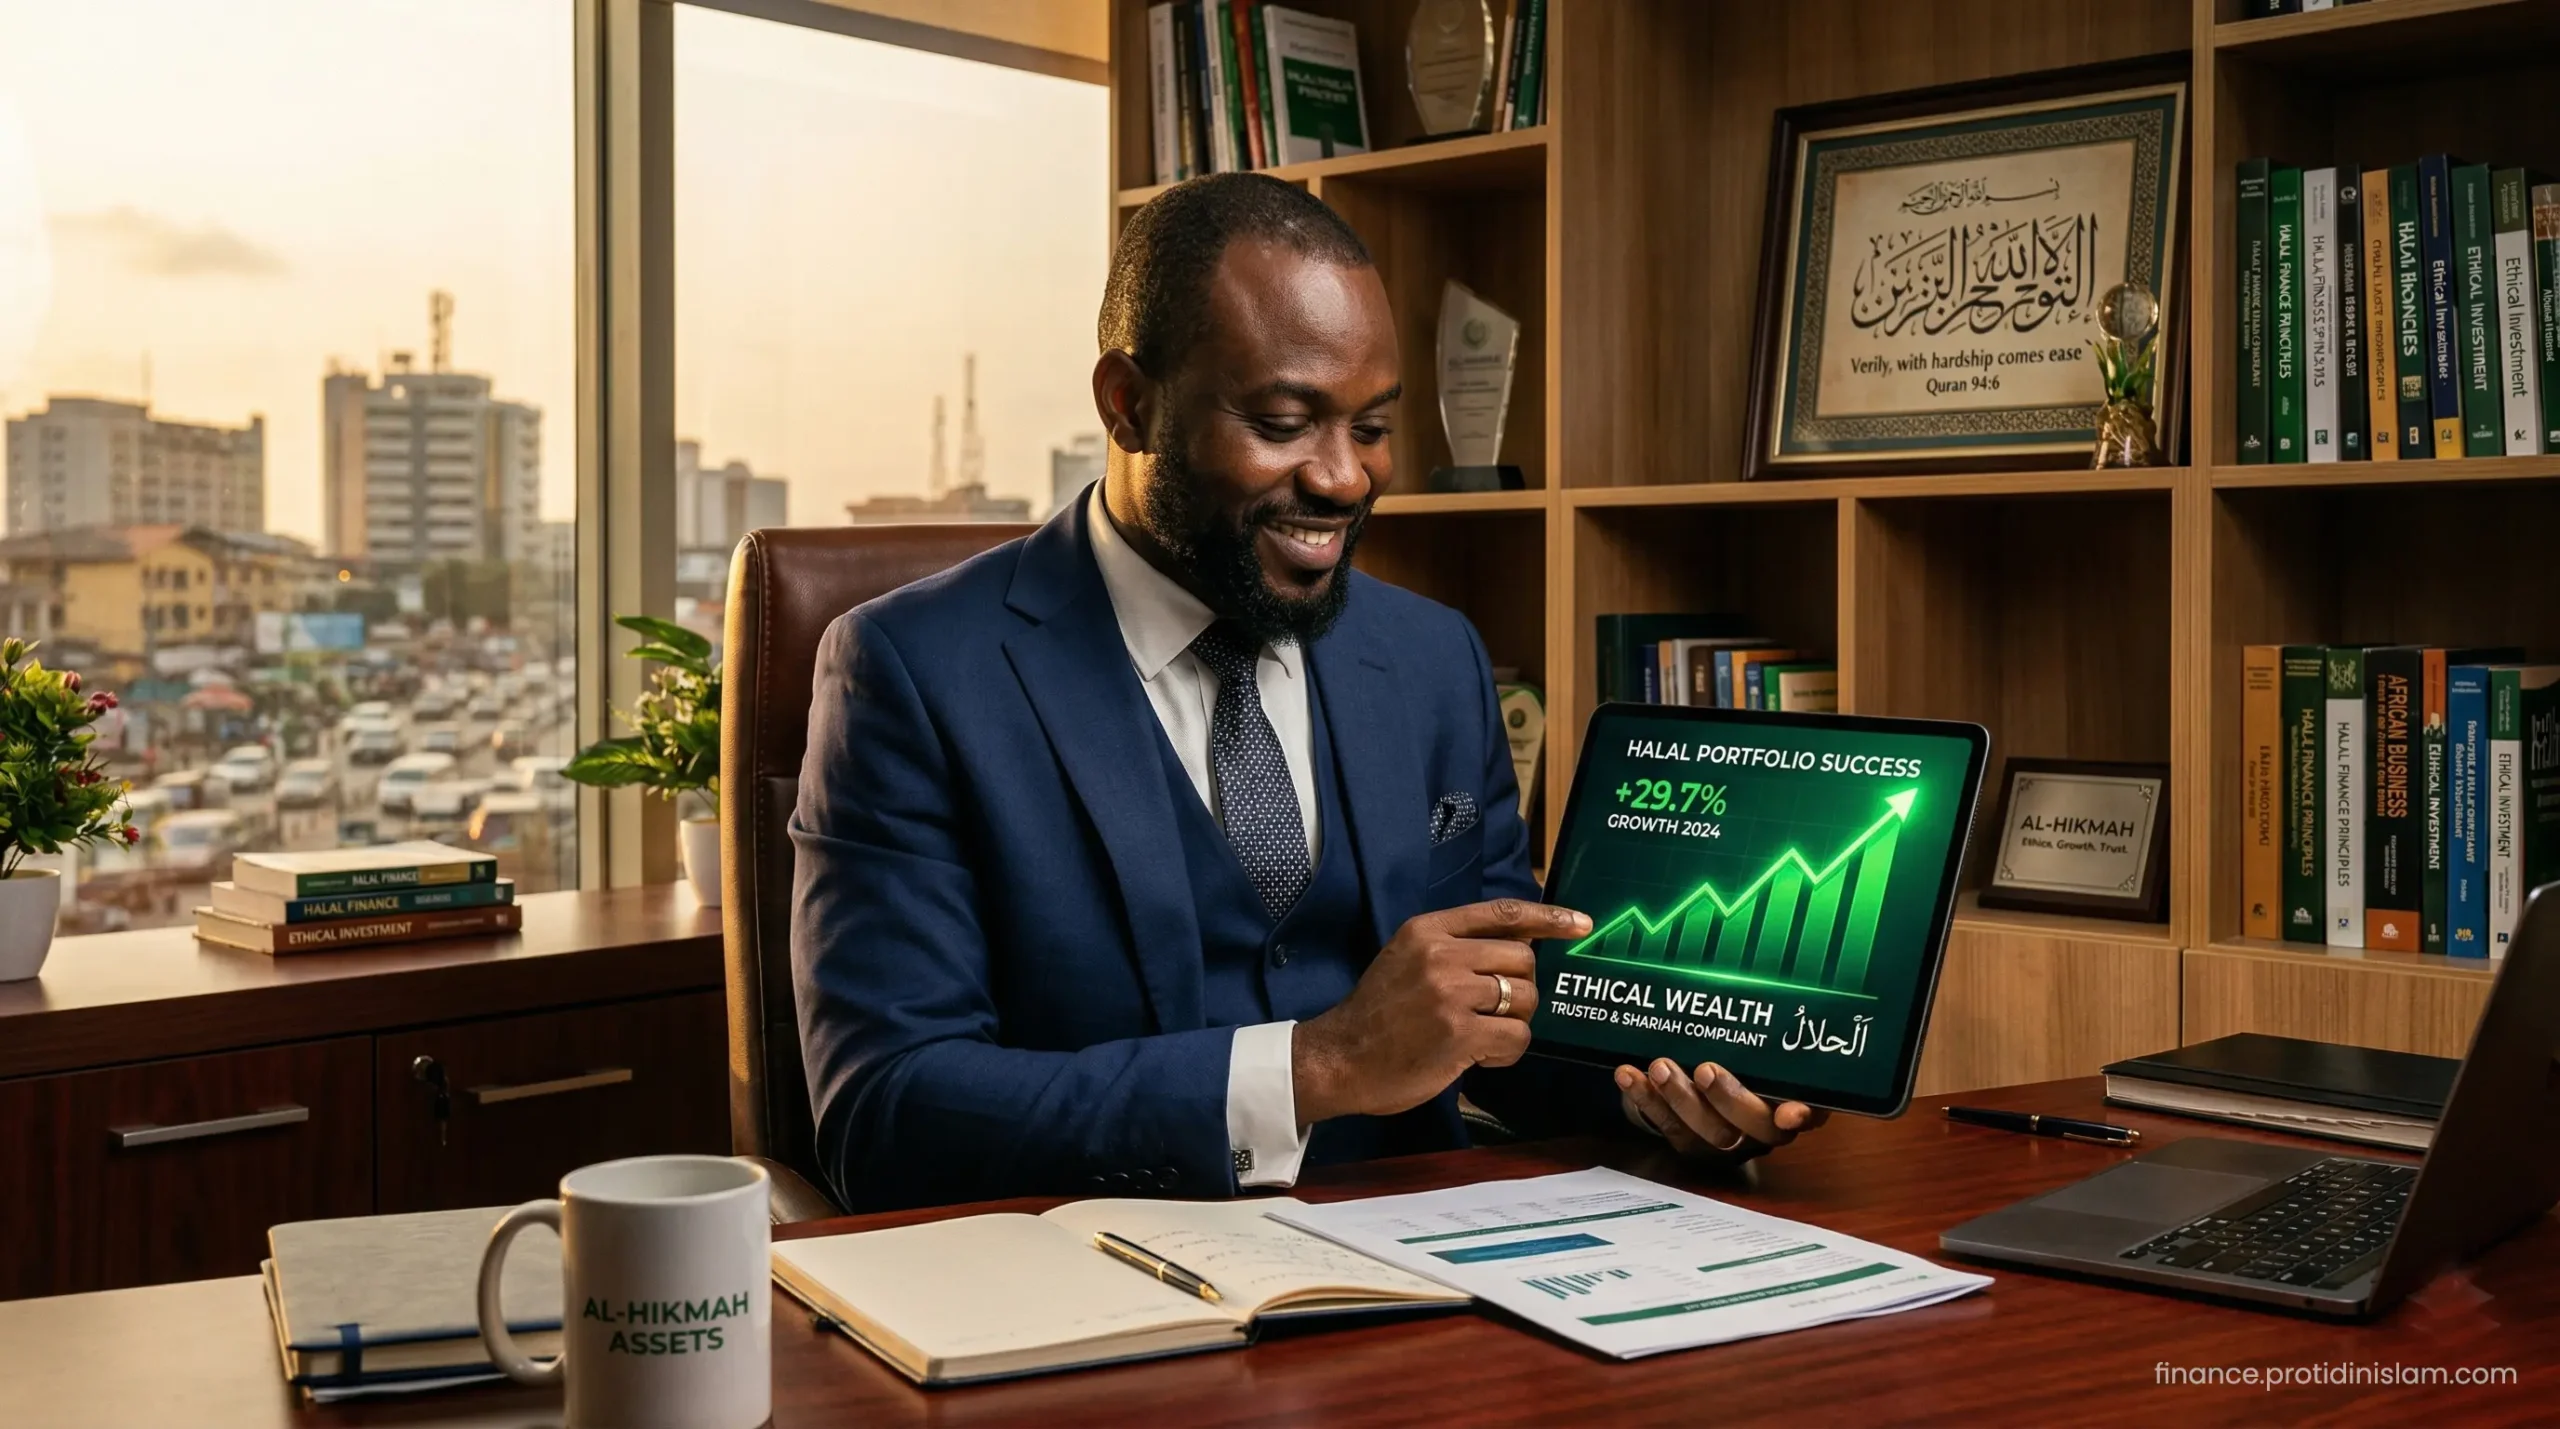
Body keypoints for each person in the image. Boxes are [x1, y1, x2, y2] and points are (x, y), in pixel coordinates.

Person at [790, 172, 1824, 1212]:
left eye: (1370, 427)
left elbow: (1505, 1017)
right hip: (1096, 1308)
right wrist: (1313, 1068)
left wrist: (1657, 1096)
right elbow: (886, 1114)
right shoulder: (911, 670)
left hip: (1436, 1286)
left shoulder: (1433, 658)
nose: (1342, 478)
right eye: (1284, 422)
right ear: (1129, 402)